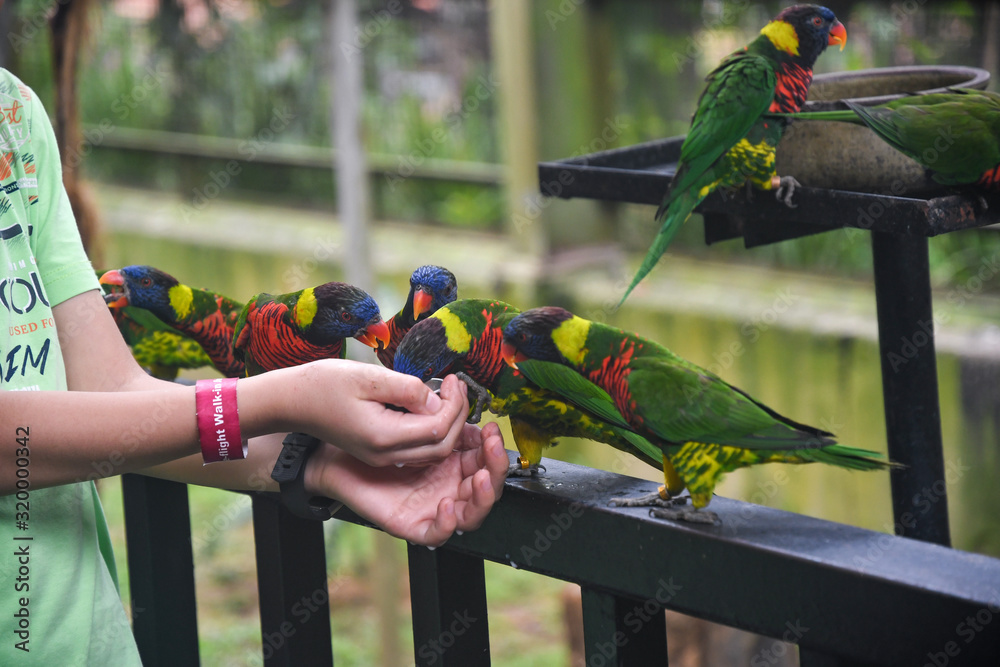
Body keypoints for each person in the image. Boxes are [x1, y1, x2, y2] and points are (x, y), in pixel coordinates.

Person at [0, 68, 508, 664]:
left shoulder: (15, 115)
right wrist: (276, 399)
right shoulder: (268, 328)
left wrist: (316, 459)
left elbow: (112, 395)